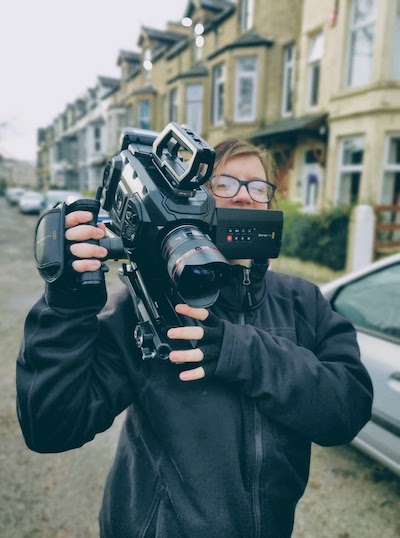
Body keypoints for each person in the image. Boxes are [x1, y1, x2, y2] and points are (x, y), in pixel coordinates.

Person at [16, 138, 373, 538]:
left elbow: (346, 411)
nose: (244, 198)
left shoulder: (302, 301)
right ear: (195, 199)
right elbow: (50, 427)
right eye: (225, 185)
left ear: (271, 205)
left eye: (258, 188)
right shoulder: (148, 305)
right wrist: (66, 305)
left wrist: (237, 351)